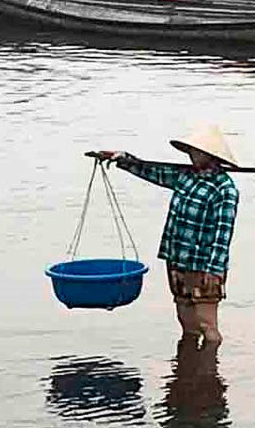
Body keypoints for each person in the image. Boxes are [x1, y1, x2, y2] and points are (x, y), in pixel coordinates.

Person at [96, 125, 241, 345]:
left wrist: (214, 269)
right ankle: (188, 371)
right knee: (186, 321)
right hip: (177, 259)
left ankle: (209, 375)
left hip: (203, 265)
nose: (192, 155)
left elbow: (223, 233)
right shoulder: (185, 177)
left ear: (210, 155)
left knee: (207, 325)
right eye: (191, 151)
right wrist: (121, 159)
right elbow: (152, 171)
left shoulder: (224, 189)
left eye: (197, 151)